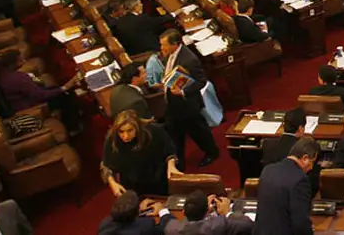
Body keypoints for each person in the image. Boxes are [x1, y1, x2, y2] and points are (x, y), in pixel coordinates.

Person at [159, 30, 219, 170]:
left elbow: (201, 81)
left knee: (198, 131)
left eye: (164, 45)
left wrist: (183, 91)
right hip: (173, 104)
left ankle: (212, 152)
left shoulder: (189, 60)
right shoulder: (169, 55)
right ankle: (179, 162)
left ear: (175, 44)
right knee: (175, 134)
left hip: (188, 105)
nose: (161, 48)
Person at [0, 49, 83, 132]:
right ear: (11, 65)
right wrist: (65, 87)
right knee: (63, 96)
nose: (24, 62)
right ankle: (73, 128)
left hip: (23, 102)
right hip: (31, 108)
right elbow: (41, 96)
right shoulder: (18, 78)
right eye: (20, 60)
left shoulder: (3, 74)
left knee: (56, 89)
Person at [102, 110, 179, 197]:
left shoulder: (153, 131)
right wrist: (113, 183)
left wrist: (171, 165)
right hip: (131, 183)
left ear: (137, 128)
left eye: (130, 130)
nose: (125, 136)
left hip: (157, 179)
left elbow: (169, 149)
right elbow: (106, 166)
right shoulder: (113, 139)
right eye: (121, 131)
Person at [255, 137, 319, 235]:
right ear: (305, 158)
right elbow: (300, 222)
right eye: (312, 162)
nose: (311, 167)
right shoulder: (300, 179)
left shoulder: (267, 170)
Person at [165, 190, 252, 235]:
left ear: (183, 211)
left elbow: (166, 219)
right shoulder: (219, 225)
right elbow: (248, 225)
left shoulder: (171, 228)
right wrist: (227, 212)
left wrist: (162, 210)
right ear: (207, 210)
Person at [98, 190, 174, 235]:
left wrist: (138, 211)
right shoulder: (146, 226)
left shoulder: (104, 225)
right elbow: (167, 230)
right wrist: (162, 210)